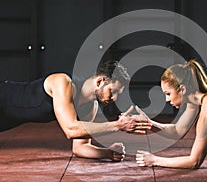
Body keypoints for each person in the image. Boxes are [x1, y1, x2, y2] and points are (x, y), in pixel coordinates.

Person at [0, 60, 150, 162]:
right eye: (113, 91)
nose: (115, 98)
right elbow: (71, 129)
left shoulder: (90, 107)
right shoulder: (63, 82)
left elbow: (80, 147)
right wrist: (118, 125)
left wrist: (107, 153)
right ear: (100, 82)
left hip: (6, 119)